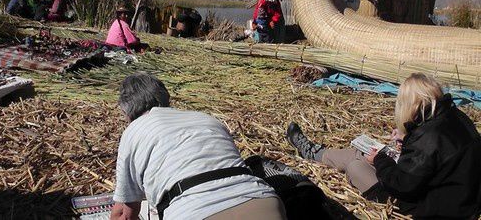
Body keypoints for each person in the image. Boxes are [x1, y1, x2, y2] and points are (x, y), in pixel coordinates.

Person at [286, 73, 481, 219]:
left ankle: (313, 152)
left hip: (429, 207)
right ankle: (314, 152)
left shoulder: (428, 136)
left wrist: (380, 160)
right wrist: (407, 141)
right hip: (457, 198)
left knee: (355, 165)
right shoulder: (454, 116)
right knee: (358, 152)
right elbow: (434, 159)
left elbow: (402, 185)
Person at [111, 72, 286, 220]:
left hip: (193, 213)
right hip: (264, 204)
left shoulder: (134, 130)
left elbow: (124, 213)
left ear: (126, 110)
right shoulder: (206, 118)